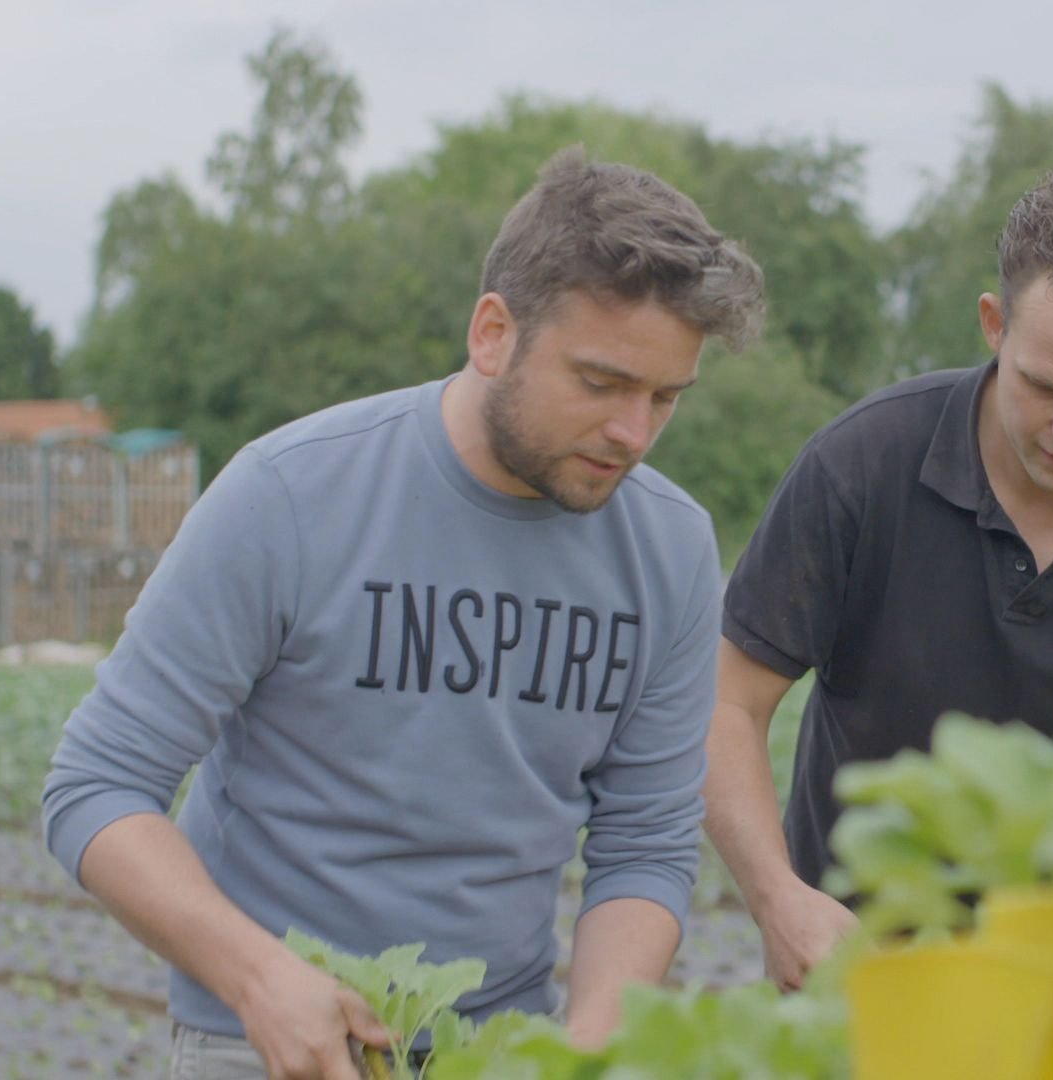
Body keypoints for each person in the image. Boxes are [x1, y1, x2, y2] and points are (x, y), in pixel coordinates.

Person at [40, 147, 765, 1079]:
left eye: (664, 397)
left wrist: (587, 1046)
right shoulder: (291, 495)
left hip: (498, 1048)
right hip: (265, 1040)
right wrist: (261, 979)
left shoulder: (669, 549)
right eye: (600, 383)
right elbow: (96, 786)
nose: (633, 433)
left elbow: (646, 845)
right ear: (494, 332)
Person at [704, 164, 1053, 991]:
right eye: (1043, 386)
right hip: (850, 979)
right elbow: (727, 702)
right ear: (993, 325)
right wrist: (777, 897)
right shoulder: (861, 467)